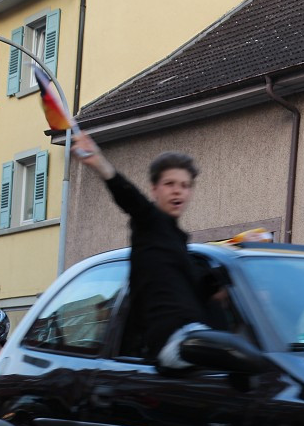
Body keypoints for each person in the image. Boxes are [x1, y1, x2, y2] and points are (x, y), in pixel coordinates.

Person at [71, 132, 233, 368]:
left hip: (196, 338)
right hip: (173, 343)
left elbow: (204, 288)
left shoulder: (181, 249)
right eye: (170, 184)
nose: (178, 191)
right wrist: (100, 163)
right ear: (154, 189)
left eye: (185, 186)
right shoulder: (149, 224)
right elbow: (132, 201)